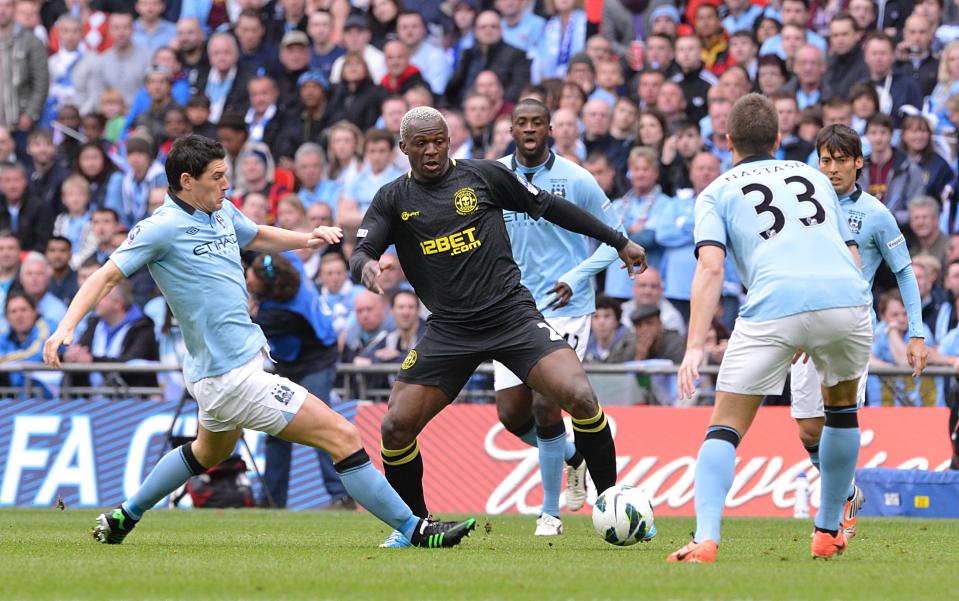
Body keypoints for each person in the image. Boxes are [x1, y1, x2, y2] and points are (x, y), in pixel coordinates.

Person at [43, 135, 476, 549]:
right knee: (343, 435)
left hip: (226, 370)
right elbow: (106, 275)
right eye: (216, 176)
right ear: (186, 181)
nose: (226, 183)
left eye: (226, 173)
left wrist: (306, 238)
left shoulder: (221, 211)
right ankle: (413, 528)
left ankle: (125, 515)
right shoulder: (160, 229)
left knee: (207, 451)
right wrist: (65, 328)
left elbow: (256, 234)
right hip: (230, 377)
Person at [349, 106, 646, 547]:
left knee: (580, 397)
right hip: (450, 329)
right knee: (395, 427)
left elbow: (552, 208)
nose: (431, 151)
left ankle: (613, 502)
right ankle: (415, 527)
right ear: (403, 147)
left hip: (511, 315)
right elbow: (361, 250)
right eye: (421, 143)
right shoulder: (393, 198)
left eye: (439, 141)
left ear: (449, 141)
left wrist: (618, 241)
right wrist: (368, 268)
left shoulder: (484, 176)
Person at [668, 94, 892, 563]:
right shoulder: (813, 175)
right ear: (777, 139)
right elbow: (848, 250)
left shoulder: (717, 191)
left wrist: (693, 347)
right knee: (841, 412)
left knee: (725, 426)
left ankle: (705, 539)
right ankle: (828, 531)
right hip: (847, 300)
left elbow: (710, 269)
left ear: (727, 140)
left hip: (776, 301)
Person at [493, 99, 628, 536]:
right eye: (521, 122)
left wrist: (577, 274)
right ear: (511, 129)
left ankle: (549, 513)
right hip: (511, 308)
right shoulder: (493, 177)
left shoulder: (577, 179)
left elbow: (616, 239)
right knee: (512, 416)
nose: (529, 128)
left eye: (537, 122)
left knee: (546, 402)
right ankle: (573, 457)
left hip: (567, 309)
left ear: (550, 128)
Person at [788, 124, 929, 538]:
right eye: (825, 160)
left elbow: (903, 271)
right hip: (807, 323)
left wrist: (916, 334)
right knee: (807, 428)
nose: (832, 169)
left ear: (858, 163)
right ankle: (848, 490)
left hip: (851, 325)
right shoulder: (804, 207)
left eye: (841, 160)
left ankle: (831, 521)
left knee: (839, 418)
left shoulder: (875, 214)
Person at [245, 252, 354, 510]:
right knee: (276, 428)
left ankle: (341, 495)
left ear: (267, 286)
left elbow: (247, 327)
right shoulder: (291, 266)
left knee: (322, 426)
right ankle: (273, 500)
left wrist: (250, 307)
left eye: (250, 276)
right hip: (291, 363)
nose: (246, 277)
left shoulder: (280, 313)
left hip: (316, 362)